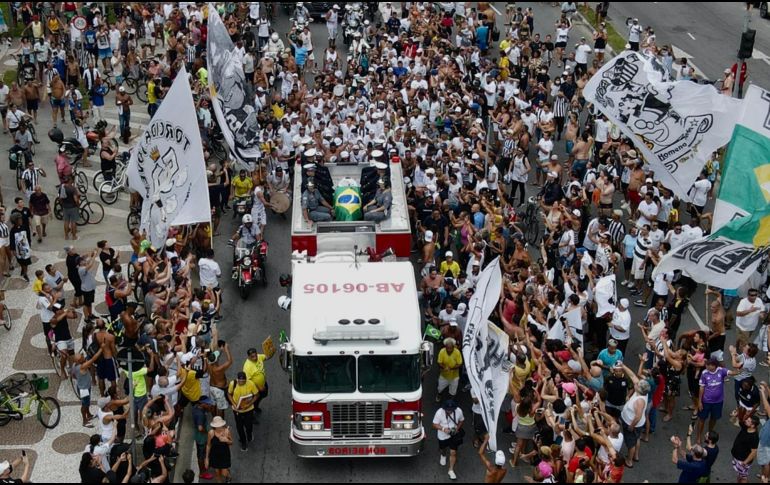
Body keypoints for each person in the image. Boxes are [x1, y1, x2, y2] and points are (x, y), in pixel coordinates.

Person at [433, 399, 465, 480]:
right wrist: (444, 429)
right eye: (448, 410)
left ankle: (451, 470)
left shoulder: (459, 411)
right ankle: (443, 455)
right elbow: (434, 424)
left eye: (452, 409)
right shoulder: (439, 412)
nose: (450, 411)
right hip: (442, 435)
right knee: (443, 449)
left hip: (454, 435)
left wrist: (457, 429)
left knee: (453, 452)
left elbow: (461, 420)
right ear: (444, 408)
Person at [228, 371, 258, 452]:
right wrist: (234, 404)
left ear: (246, 380)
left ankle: (249, 434)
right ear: (237, 380)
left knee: (249, 425)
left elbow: (256, 395)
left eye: (243, 382)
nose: (241, 383)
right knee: (239, 427)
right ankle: (243, 442)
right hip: (237, 410)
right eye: (240, 382)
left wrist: (249, 404)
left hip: (248, 409)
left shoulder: (250, 384)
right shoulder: (232, 384)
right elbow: (229, 394)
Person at [731, 415, 760, 483]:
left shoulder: (754, 437)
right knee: (740, 475)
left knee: (744, 477)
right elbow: (733, 421)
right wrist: (734, 416)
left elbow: (754, 452)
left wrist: (745, 462)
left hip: (743, 460)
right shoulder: (745, 427)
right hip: (737, 457)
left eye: (748, 421)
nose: (746, 421)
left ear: (753, 425)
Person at [206, 416, 233, 483]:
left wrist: (226, 440)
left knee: (224, 473)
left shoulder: (227, 431)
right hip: (214, 455)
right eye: (217, 426)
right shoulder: (211, 433)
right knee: (217, 473)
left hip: (224, 454)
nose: (219, 427)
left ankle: (228, 475)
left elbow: (231, 442)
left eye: (220, 426)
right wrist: (206, 458)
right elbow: (208, 445)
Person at [436, 338, 463, 403]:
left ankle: (451, 401)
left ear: (454, 347)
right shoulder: (442, 351)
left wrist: (451, 368)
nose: (449, 350)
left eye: (451, 348)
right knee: (440, 388)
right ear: (445, 347)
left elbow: (460, 364)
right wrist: (444, 367)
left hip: (454, 376)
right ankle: (439, 395)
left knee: (453, 391)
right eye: (448, 348)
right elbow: (439, 362)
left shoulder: (457, 352)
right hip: (444, 375)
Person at [243, 347, 268, 413]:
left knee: (262, 396)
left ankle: (256, 407)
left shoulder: (259, 357)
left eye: (255, 355)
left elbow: (267, 357)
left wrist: (270, 349)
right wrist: (259, 388)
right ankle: (251, 414)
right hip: (255, 389)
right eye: (252, 357)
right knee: (254, 400)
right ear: (248, 357)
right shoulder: (247, 367)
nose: (255, 358)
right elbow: (248, 381)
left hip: (263, 385)